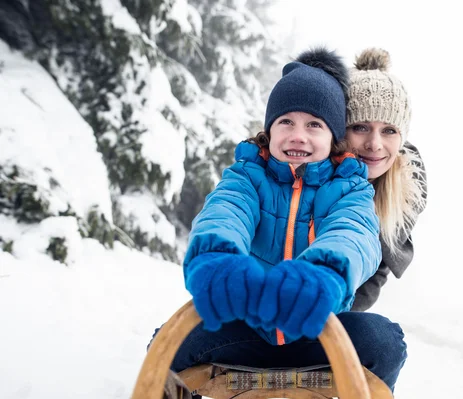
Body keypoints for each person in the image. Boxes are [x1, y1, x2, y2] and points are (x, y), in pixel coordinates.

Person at [153, 47, 407, 393]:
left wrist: (323, 273)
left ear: (334, 138)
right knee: (166, 342)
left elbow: (353, 234)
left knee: (385, 341)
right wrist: (219, 255)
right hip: (245, 329)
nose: (298, 135)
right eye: (286, 121)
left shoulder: (349, 188)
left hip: (316, 330)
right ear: (269, 130)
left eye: (314, 125)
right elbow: (226, 212)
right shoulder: (247, 177)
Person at [347, 48, 428, 312]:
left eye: (389, 130)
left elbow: (373, 278)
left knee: (384, 340)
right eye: (360, 127)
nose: (374, 144)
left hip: (333, 314)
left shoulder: (399, 194)